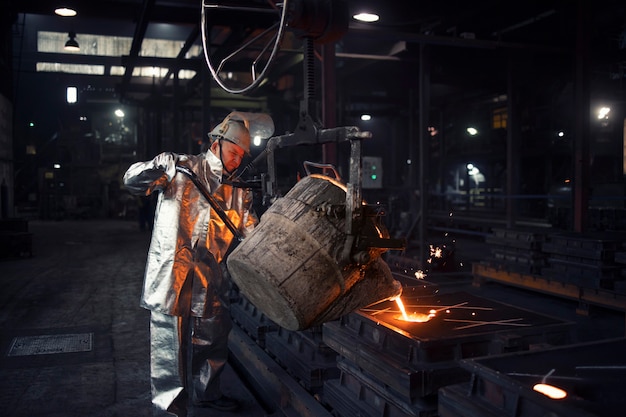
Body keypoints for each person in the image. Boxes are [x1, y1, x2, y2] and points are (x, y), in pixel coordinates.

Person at [123, 111, 273, 417]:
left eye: (242, 157)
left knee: (212, 339)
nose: (237, 161)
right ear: (217, 143)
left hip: (211, 278)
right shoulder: (180, 169)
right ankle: (169, 408)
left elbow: (251, 234)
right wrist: (155, 167)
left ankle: (208, 393)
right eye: (233, 153)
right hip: (172, 276)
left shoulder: (237, 192)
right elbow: (131, 180)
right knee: (169, 346)